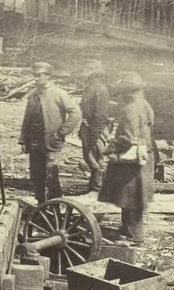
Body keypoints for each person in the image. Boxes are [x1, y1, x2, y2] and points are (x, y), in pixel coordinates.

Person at [99, 72, 156, 243]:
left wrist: (109, 147)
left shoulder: (131, 108)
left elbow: (129, 137)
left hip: (131, 160)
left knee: (131, 197)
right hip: (143, 155)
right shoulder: (145, 104)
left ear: (128, 91)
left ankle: (135, 236)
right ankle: (126, 229)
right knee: (129, 195)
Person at [19, 62, 82, 204]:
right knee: (36, 177)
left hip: (51, 142)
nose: (35, 78)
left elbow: (75, 113)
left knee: (52, 176)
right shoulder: (33, 94)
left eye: (39, 75)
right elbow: (27, 119)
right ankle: (40, 209)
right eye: (34, 75)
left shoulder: (59, 93)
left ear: (48, 76)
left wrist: (62, 132)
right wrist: (23, 139)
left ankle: (55, 210)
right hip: (34, 142)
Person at [79, 60, 112, 193]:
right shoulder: (90, 88)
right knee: (90, 158)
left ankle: (97, 190)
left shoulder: (100, 90)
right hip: (88, 127)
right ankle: (93, 188)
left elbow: (101, 115)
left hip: (96, 129)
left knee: (98, 161)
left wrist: (95, 133)